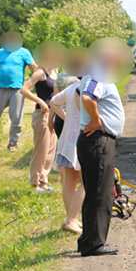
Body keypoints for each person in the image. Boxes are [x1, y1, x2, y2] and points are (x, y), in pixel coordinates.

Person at [77, 39, 127, 256]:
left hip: (97, 141)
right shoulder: (98, 75)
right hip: (98, 140)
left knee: (96, 192)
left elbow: (83, 94)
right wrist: (96, 119)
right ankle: (94, 243)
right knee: (101, 194)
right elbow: (87, 97)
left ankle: (89, 240)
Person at [0, 32, 38, 152]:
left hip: (17, 90)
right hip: (0, 89)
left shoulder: (24, 52)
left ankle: (13, 143)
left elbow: (33, 66)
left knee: (16, 118)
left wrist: (38, 77)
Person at [20, 41, 62, 192]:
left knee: (51, 149)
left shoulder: (56, 72)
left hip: (53, 114)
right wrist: (39, 101)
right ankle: (35, 182)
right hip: (42, 114)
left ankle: (44, 180)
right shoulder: (40, 72)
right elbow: (24, 89)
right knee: (41, 149)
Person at [49, 73, 84, 234]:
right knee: (86, 182)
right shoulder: (88, 88)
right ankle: (72, 219)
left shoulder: (71, 88)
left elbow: (53, 102)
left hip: (66, 141)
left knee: (69, 183)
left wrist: (66, 116)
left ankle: (71, 219)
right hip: (81, 140)